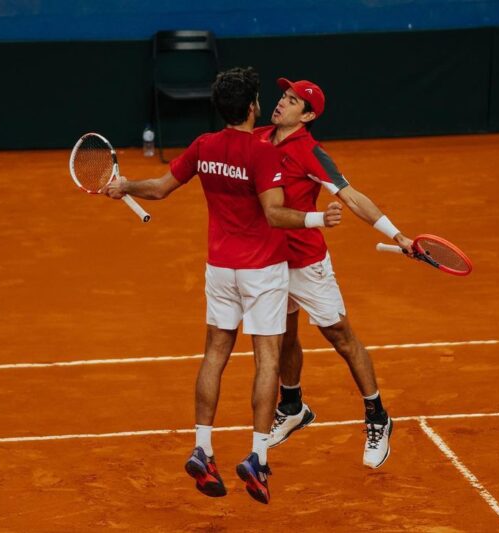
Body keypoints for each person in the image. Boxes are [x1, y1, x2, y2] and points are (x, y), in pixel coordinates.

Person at [103, 67, 342, 503]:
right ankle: (258, 457)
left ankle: (203, 448)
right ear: (251, 107)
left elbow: (159, 188)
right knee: (267, 358)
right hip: (262, 269)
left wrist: (125, 186)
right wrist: (317, 218)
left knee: (215, 354)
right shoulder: (263, 153)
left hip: (220, 268)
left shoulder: (204, 146)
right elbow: (275, 214)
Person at [254, 78, 414, 469]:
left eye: (293, 101)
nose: (282, 103)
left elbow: (351, 197)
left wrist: (398, 235)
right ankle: (293, 407)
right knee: (284, 335)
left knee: (341, 337)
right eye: (283, 96)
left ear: (307, 116)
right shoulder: (257, 138)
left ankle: (378, 416)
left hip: (306, 262)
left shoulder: (310, 152)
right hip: (270, 260)